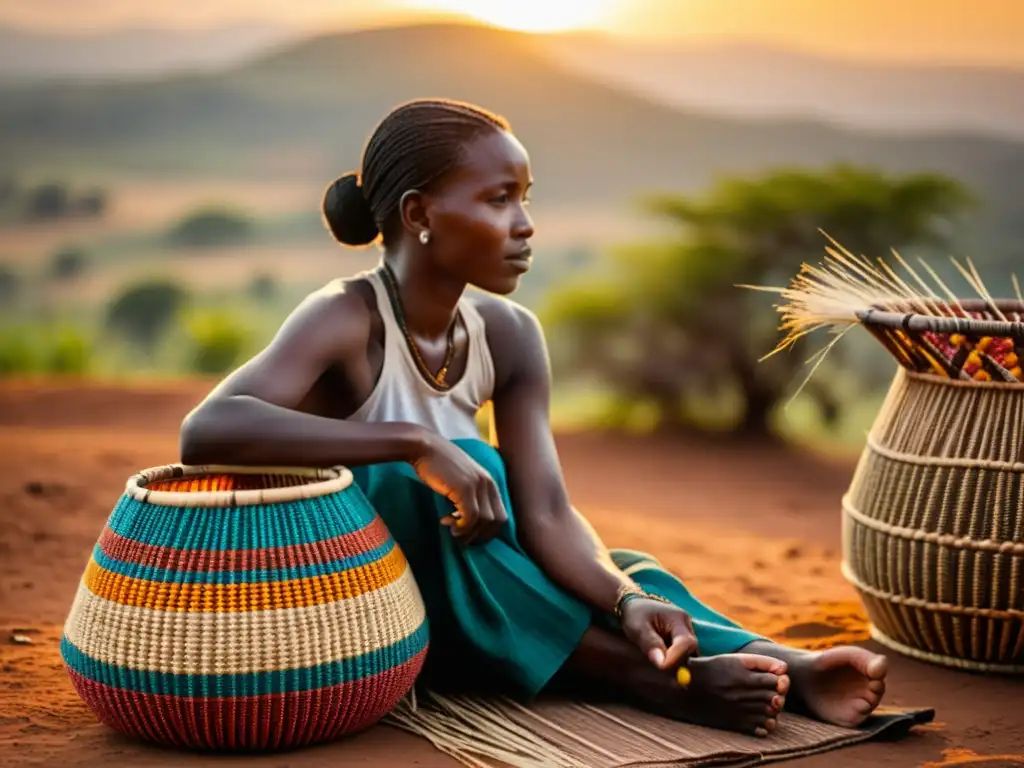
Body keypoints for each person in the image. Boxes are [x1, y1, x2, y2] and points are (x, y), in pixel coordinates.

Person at [178, 98, 888, 739]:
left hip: (486, 583)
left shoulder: (509, 333)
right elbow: (205, 432)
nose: (525, 225)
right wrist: (416, 443)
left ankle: (783, 664)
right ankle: (655, 679)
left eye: (525, 198)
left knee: (626, 571)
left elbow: (546, 510)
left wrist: (626, 599)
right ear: (420, 216)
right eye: (499, 199)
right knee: (425, 482)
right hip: (375, 596)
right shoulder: (345, 316)